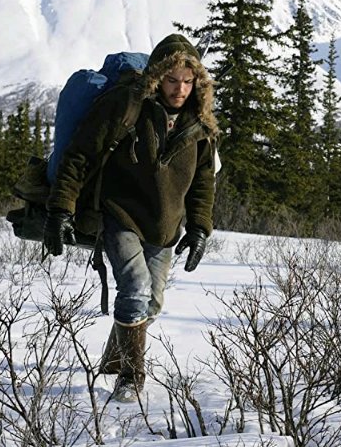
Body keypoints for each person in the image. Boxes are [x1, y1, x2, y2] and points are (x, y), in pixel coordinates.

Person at [42, 33, 218, 403]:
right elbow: (80, 155)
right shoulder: (128, 105)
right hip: (120, 214)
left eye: (188, 81)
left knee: (151, 303)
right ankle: (131, 377)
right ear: (157, 77)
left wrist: (200, 227)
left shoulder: (200, 124)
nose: (180, 89)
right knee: (135, 289)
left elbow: (203, 181)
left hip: (165, 226)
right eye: (172, 80)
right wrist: (61, 208)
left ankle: (115, 357)